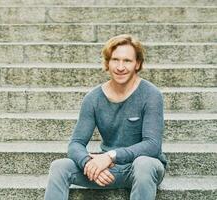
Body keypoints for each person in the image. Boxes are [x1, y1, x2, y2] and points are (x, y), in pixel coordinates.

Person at [44, 34, 167, 200]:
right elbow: (76, 143)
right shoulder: (93, 98)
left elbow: (152, 145)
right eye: (115, 60)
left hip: (142, 168)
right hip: (109, 169)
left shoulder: (151, 95)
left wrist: (110, 156)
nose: (120, 67)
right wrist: (89, 163)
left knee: (143, 164)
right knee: (59, 166)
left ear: (137, 64)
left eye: (127, 61)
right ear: (107, 63)